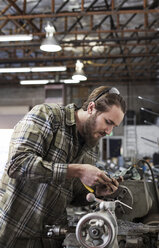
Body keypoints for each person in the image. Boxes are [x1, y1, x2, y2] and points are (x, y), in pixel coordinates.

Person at [0, 86, 126, 248]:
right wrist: (77, 170)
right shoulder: (48, 116)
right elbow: (17, 164)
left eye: (114, 127)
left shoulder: (92, 148)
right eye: (108, 122)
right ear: (91, 108)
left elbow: (71, 196)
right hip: (13, 232)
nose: (109, 132)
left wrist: (96, 192)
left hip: (50, 238)